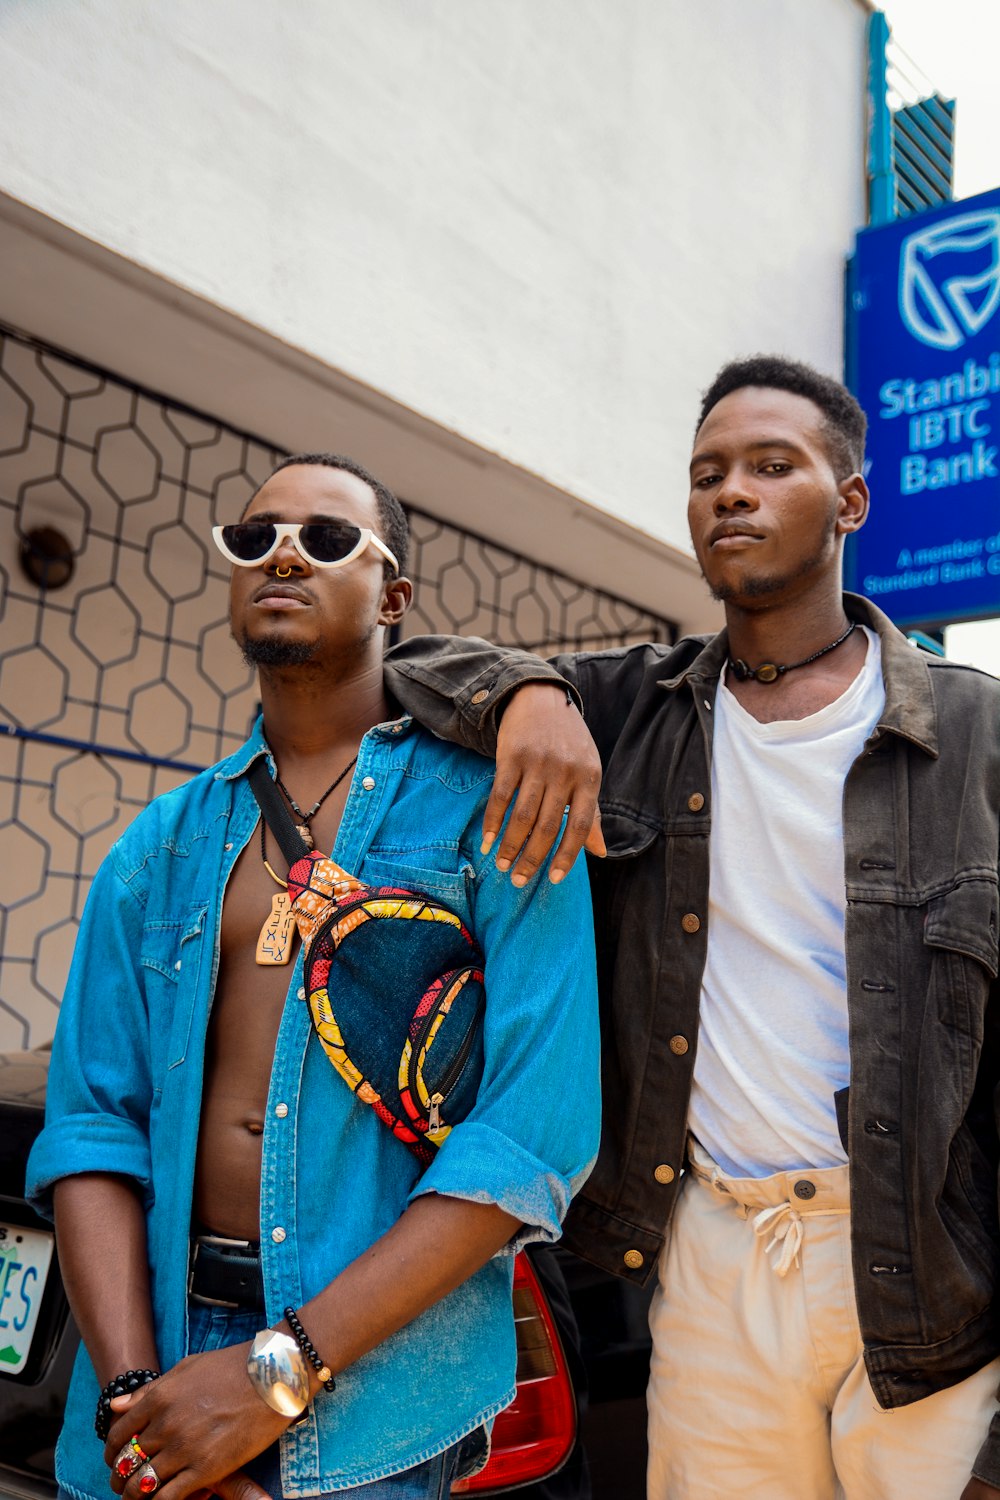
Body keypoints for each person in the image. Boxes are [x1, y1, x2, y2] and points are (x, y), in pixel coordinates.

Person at [382, 356, 1000, 1499]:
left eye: (773, 466)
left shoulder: (973, 734)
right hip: (715, 1256)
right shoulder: (633, 709)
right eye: (707, 472)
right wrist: (527, 696)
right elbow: (409, 667)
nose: (732, 493)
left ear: (850, 502)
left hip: (932, 1268)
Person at [26, 453, 600, 1500]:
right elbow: (93, 1128)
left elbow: (531, 1134)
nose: (283, 551)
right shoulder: (160, 844)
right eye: (254, 537)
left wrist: (271, 1378)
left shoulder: (494, 814)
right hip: (154, 1356)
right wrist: (141, 1411)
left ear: (393, 595)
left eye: (328, 537)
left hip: (369, 1383)